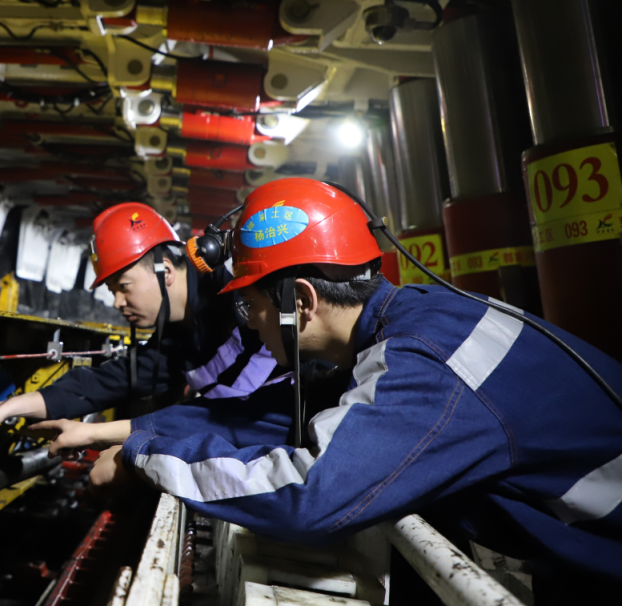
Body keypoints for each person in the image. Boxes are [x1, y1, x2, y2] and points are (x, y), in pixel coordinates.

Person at [70, 178, 622, 597]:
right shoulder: (407, 323)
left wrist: (141, 459)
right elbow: (264, 415)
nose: (250, 325)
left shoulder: (423, 365)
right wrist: (137, 432)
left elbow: (306, 494)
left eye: (252, 306)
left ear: (301, 301)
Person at [0, 202, 281, 435]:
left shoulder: (239, 296)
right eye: (112, 291)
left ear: (165, 272)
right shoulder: (173, 341)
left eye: (123, 288)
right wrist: (8, 408)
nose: (117, 302)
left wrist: (99, 435)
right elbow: (105, 383)